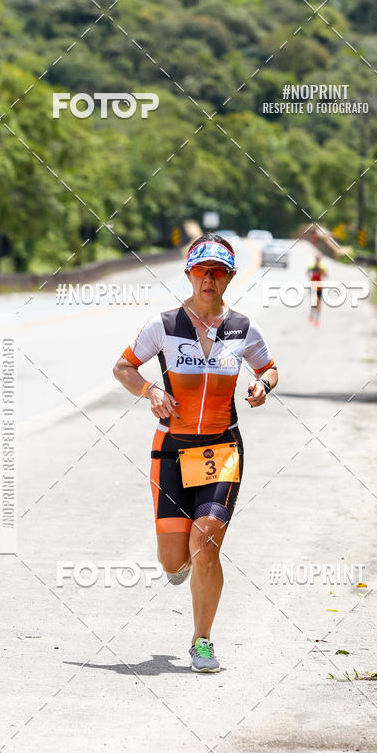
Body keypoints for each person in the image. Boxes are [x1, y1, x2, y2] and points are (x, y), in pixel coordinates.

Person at [113, 234, 278, 673]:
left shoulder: (243, 328)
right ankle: (180, 562)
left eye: (218, 271)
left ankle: (201, 640)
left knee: (206, 540)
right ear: (189, 274)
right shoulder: (164, 325)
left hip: (221, 449)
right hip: (170, 449)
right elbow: (123, 367)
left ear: (230, 277)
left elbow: (268, 367)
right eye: (202, 270)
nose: (209, 278)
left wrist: (262, 384)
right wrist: (150, 390)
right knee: (175, 559)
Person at [308, 253, 327, 326]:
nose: (318, 260)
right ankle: (311, 316)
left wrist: (322, 272)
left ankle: (317, 320)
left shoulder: (323, 267)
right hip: (313, 286)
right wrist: (310, 277)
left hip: (319, 286)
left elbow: (326, 275)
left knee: (319, 304)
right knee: (313, 303)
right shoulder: (312, 266)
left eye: (319, 259)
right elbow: (308, 272)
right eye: (317, 258)